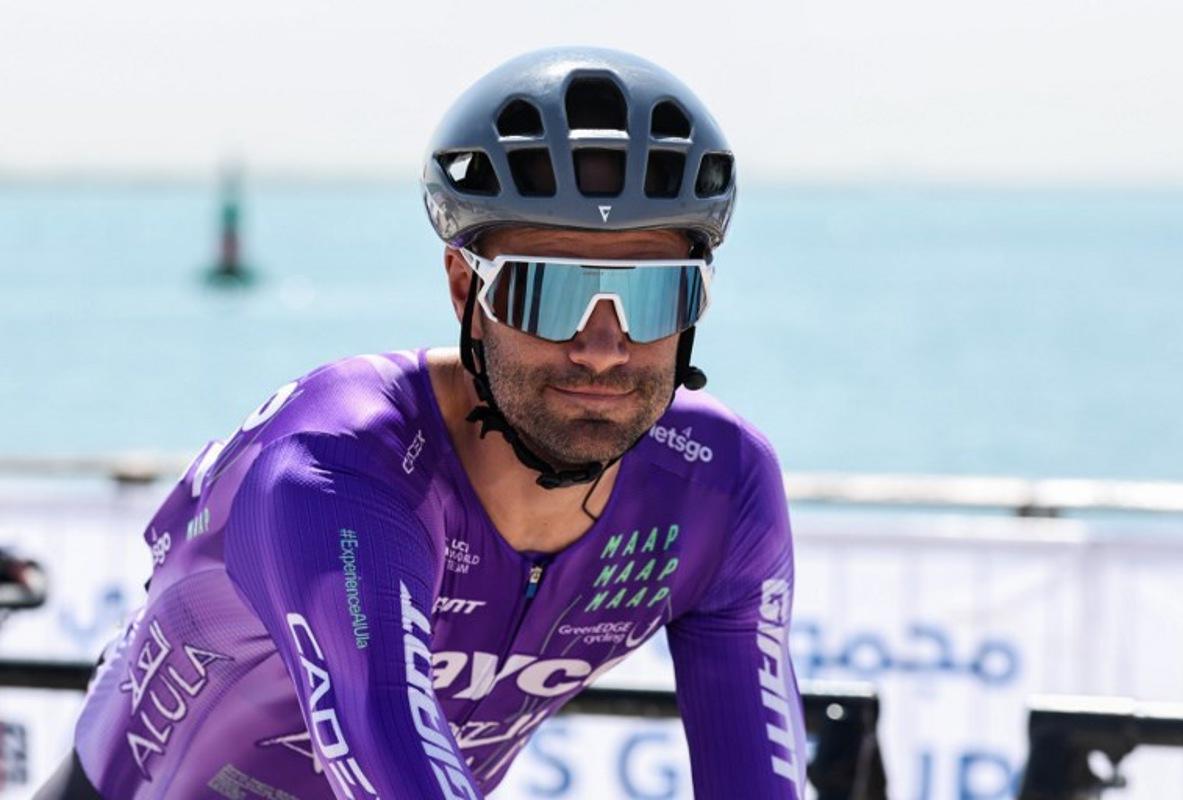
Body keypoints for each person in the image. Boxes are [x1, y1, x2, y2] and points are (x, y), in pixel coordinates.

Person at [37, 46, 806, 799]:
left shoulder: (718, 488)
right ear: (461, 286)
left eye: (651, 298)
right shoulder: (334, 468)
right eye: (548, 294)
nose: (602, 349)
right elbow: (388, 744)